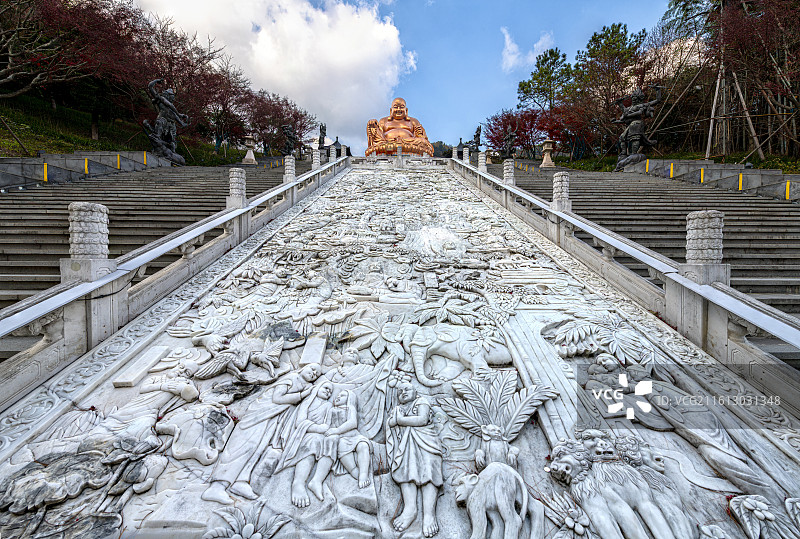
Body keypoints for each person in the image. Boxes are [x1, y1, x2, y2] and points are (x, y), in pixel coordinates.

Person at [201, 364, 321, 504]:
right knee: (242, 447)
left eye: (316, 374)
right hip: (259, 414)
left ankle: (241, 480)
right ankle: (217, 486)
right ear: (302, 368)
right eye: (312, 369)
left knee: (257, 449)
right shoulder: (292, 378)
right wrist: (301, 395)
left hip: (271, 417)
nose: (314, 373)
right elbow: (277, 398)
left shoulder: (303, 384)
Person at [387, 381, 443, 537]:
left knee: (429, 474)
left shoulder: (421, 401)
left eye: (407, 389)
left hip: (427, 442)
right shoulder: (398, 408)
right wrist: (394, 420)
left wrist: (400, 420)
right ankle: (410, 509)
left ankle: (429, 515)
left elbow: (422, 420)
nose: (403, 392)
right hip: (405, 445)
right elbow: (391, 423)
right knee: (405, 472)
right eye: (399, 391)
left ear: (415, 392)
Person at [274, 381, 336, 508]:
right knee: (314, 440)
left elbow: (327, 424)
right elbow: (300, 422)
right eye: (325, 388)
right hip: (303, 434)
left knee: (331, 440)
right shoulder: (307, 402)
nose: (328, 392)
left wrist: (325, 429)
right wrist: (317, 428)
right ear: (317, 387)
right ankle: (298, 483)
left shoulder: (329, 405)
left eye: (330, 391)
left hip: (320, 435)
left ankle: (316, 481)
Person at [366, 98, 434, 157]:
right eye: (396, 107)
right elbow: (378, 137)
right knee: (377, 138)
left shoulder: (413, 121)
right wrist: (373, 125)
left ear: (406, 110)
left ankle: (398, 145)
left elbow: (420, 136)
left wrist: (419, 137)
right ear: (391, 110)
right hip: (387, 142)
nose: (398, 109)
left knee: (423, 142)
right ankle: (392, 145)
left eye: (401, 107)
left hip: (409, 142)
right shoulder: (383, 121)